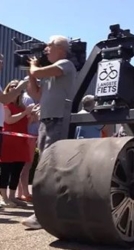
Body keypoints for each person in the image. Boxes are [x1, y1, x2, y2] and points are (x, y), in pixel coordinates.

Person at [21, 35, 77, 229]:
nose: (45, 49)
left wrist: (34, 67)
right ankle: (51, 213)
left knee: (48, 168)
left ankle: (42, 214)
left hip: (58, 122)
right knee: (47, 168)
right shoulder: (50, 74)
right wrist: (31, 73)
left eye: (48, 46)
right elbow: (36, 94)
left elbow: (37, 72)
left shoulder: (66, 64)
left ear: (61, 48)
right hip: (46, 122)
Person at [0, 54, 29, 209]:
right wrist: (19, 87)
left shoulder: (22, 106)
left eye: (3, 61)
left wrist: (33, 113)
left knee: (17, 169)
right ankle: (4, 197)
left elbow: (27, 121)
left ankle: (12, 196)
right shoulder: (7, 104)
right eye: (11, 86)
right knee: (6, 169)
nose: (2, 64)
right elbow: (9, 120)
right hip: (9, 139)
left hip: (20, 141)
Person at [17, 90, 40, 202]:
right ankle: (25, 193)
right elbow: (29, 119)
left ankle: (21, 193)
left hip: (30, 135)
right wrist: (34, 114)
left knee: (26, 165)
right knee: (26, 165)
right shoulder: (28, 99)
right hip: (29, 135)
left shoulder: (26, 98)